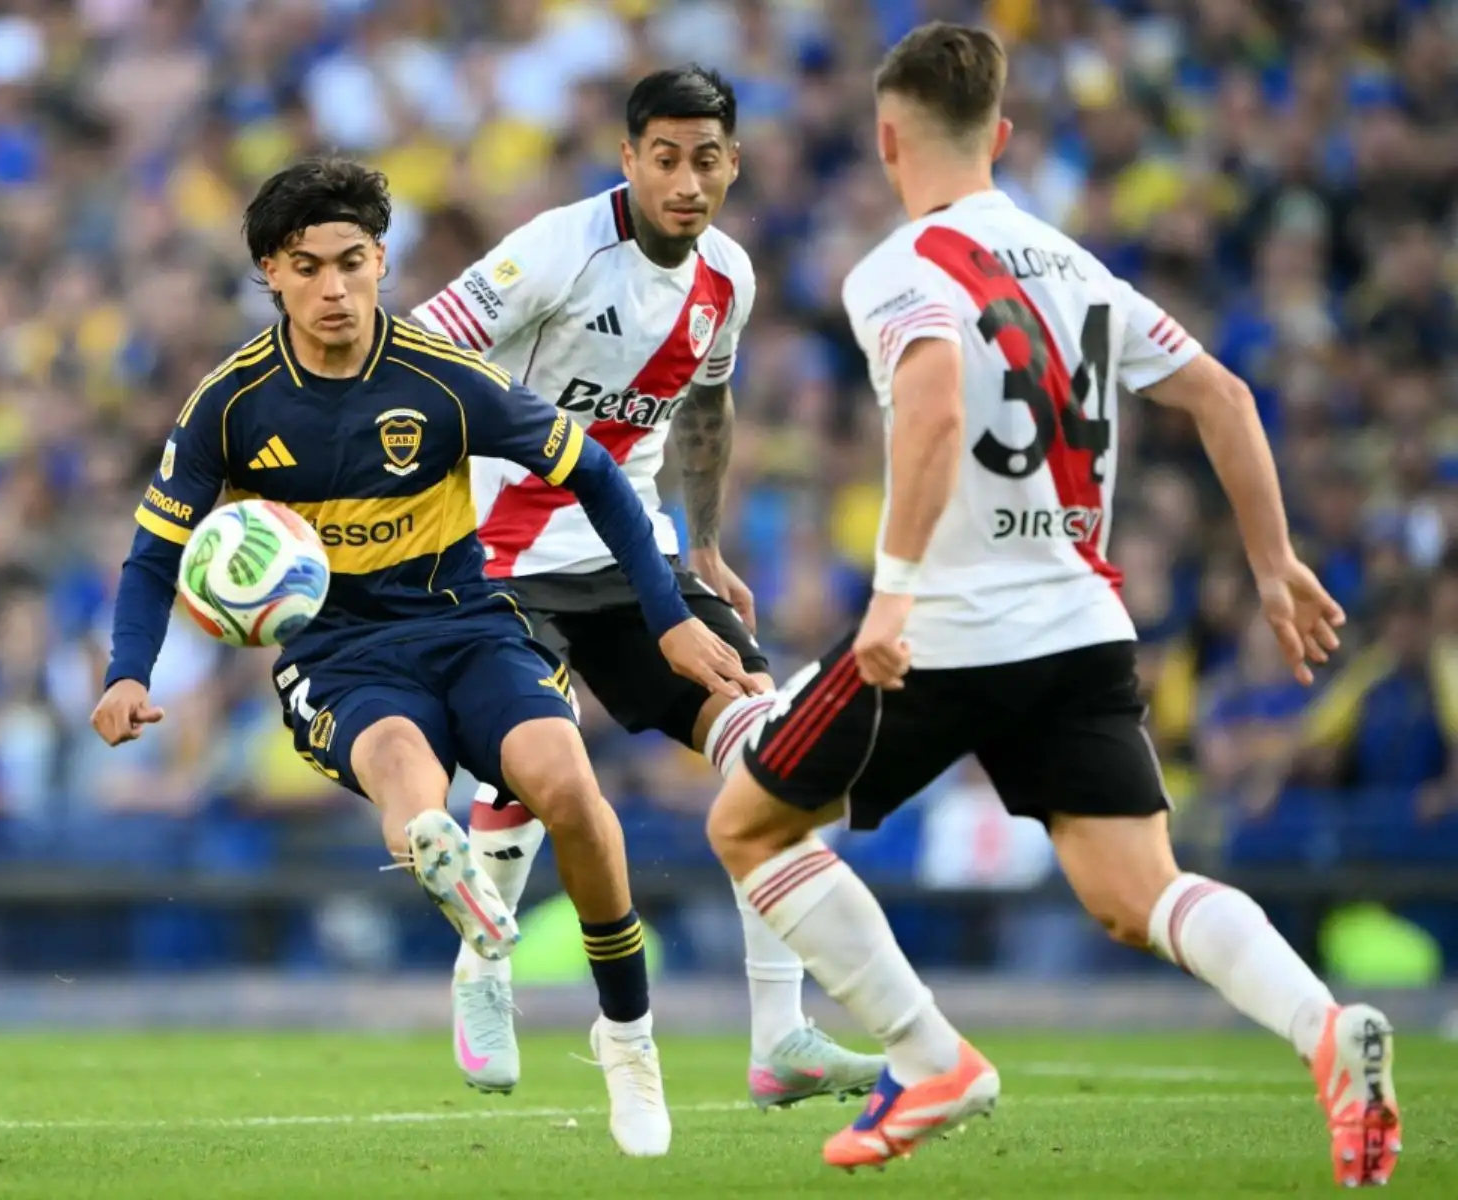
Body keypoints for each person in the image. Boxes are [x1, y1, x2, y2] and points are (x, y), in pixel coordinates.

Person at [703, 23, 1402, 1184]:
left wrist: (893, 595)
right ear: (1003, 135)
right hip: (1080, 627)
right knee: (1138, 894)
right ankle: (1327, 1032)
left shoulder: (897, 267)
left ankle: (930, 1056)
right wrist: (1274, 562)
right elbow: (1226, 397)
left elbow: (935, 405)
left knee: (746, 825)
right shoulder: (1078, 269)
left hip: (945, 629)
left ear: (887, 140)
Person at [92, 158, 764, 1157]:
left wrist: (667, 615)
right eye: (308, 267)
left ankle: (627, 1039)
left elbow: (597, 476)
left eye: (351, 263)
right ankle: (443, 860)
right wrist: (128, 671)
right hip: (340, 653)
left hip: (468, 625)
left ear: (381, 261)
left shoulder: (440, 376)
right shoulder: (230, 405)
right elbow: (156, 554)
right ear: (271, 273)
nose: (334, 289)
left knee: (570, 790)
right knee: (406, 770)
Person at [412, 65, 884, 1106]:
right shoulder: (551, 252)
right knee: (531, 756)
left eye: (705, 160)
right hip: (496, 554)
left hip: (631, 558)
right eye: (664, 158)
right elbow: (417, 354)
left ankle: (781, 1038)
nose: (686, 181)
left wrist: (704, 546)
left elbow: (707, 407)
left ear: (735, 164)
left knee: (771, 746)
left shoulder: (728, 279)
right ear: (629, 158)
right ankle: (482, 975)